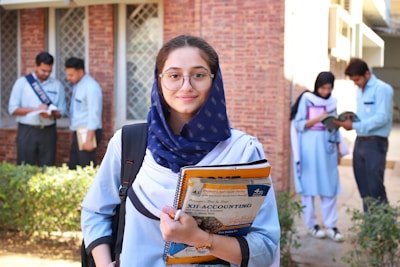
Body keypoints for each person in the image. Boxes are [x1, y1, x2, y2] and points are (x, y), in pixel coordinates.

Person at [81, 35, 280, 267]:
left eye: (199, 75)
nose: (186, 86)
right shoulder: (128, 143)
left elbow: (264, 247)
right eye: (174, 75)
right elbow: (96, 212)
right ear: (159, 80)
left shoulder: (243, 152)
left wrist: (199, 238)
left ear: (214, 81)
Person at [334, 58, 393, 213]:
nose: (356, 83)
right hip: (360, 141)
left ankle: (386, 226)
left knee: (375, 186)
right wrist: (350, 122)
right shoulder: (360, 90)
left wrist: (354, 125)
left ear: (367, 74)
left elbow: (382, 117)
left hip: (376, 143)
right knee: (363, 187)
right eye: (353, 81)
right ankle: (369, 225)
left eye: (358, 79)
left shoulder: (383, 89)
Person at [290, 71, 344, 242]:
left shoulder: (333, 101)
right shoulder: (307, 98)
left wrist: (338, 149)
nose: (325, 92)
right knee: (309, 188)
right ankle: (311, 224)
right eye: (323, 88)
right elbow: (299, 124)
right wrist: (319, 118)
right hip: (309, 148)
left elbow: (334, 127)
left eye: (329, 88)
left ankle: (331, 225)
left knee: (329, 187)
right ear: (317, 86)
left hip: (327, 149)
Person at [8, 51, 66, 166]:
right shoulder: (22, 83)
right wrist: (35, 110)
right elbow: (12, 109)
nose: (46, 74)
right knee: (24, 166)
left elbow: (62, 111)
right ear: (36, 66)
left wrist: (51, 114)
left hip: (48, 131)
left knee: (48, 166)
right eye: (43, 71)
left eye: (49, 71)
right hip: (27, 130)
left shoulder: (57, 85)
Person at [65, 57, 103, 170]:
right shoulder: (78, 84)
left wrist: (88, 140)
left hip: (87, 133)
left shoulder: (91, 87)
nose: (68, 78)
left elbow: (94, 114)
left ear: (80, 72)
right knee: (74, 167)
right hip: (79, 132)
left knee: (86, 168)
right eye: (67, 74)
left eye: (71, 75)